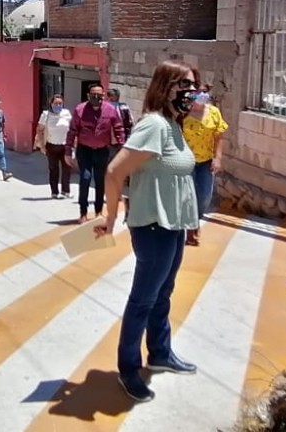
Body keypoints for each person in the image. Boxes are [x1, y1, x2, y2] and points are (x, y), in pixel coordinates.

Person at [96, 60, 199, 403]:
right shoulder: (154, 125)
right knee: (143, 300)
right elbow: (114, 172)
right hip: (153, 227)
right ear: (165, 87)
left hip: (172, 226)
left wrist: (191, 221)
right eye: (184, 85)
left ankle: (160, 353)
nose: (191, 92)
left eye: (193, 85)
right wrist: (110, 217)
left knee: (163, 295)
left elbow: (177, 178)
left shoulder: (173, 125)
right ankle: (129, 369)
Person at [65, 83, 125, 224]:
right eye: (93, 95)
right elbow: (72, 131)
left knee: (99, 180)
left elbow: (118, 128)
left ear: (103, 96)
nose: (96, 97)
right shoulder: (80, 110)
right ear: (88, 95)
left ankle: (98, 211)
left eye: (99, 95)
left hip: (102, 150)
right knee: (85, 179)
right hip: (84, 150)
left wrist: (123, 147)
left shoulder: (110, 110)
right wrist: (68, 151)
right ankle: (83, 212)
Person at [181, 81, 228, 246]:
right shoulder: (183, 113)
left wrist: (218, 158)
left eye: (203, 91)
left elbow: (219, 137)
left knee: (204, 196)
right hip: (185, 161)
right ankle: (191, 229)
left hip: (205, 161)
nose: (200, 95)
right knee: (186, 197)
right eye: (196, 92)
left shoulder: (214, 112)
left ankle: (195, 220)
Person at [34, 94, 73, 199]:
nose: (58, 105)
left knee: (67, 169)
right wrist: (42, 145)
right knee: (53, 170)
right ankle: (54, 192)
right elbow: (39, 130)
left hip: (65, 146)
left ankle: (66, 191)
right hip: (51, 146)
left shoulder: (66, 113)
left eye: (60, 103)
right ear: (51, 104)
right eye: (56, 103)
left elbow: (72, 129)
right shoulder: (46, 115)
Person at [107, 88, 135, 154]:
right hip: (121, 135)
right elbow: (131, 121)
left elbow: (130, 120)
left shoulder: (106, 106)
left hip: (113, 135)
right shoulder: (124, 106)